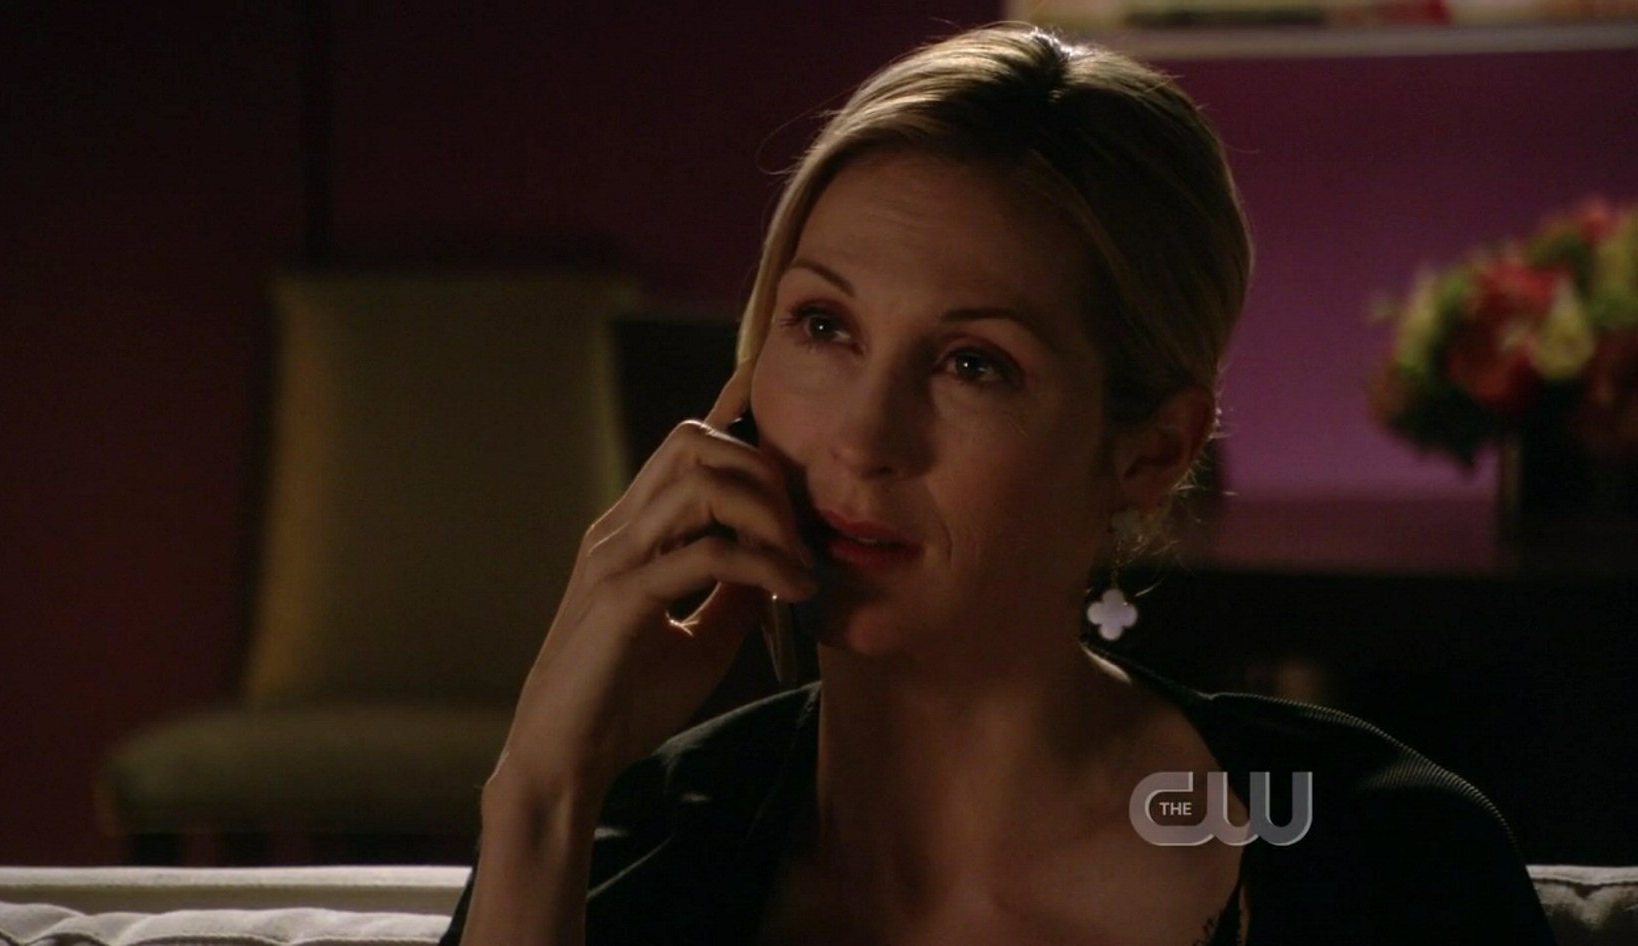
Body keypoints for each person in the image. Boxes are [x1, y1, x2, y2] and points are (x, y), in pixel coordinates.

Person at [442, 23, 1558, 946]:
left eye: (973, 364)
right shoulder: (631, 851)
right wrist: (537, 795)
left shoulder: (1365, 848)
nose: (863, 438)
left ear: (1150, 451)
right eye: (823, 325)